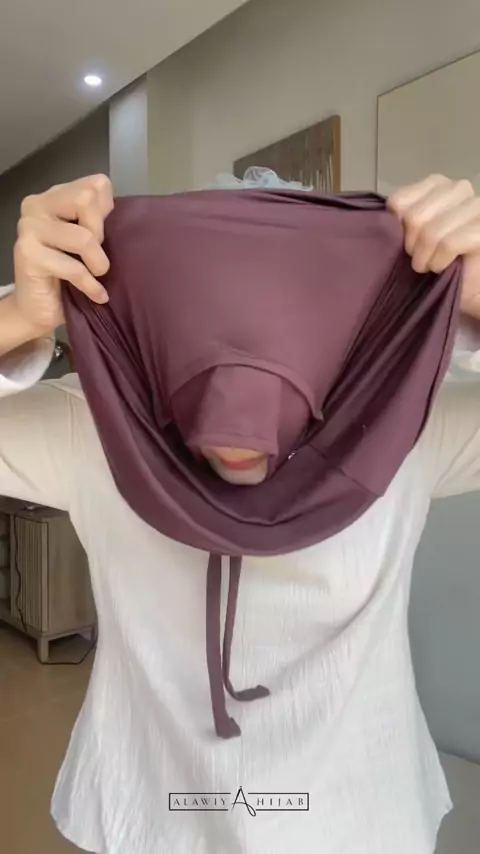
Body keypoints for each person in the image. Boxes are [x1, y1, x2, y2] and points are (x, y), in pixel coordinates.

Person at [2, 171, 480, 854]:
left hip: (362, 819)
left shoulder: (402, 423)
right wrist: (22, 317)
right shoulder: (96, 426)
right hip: (149, 815)